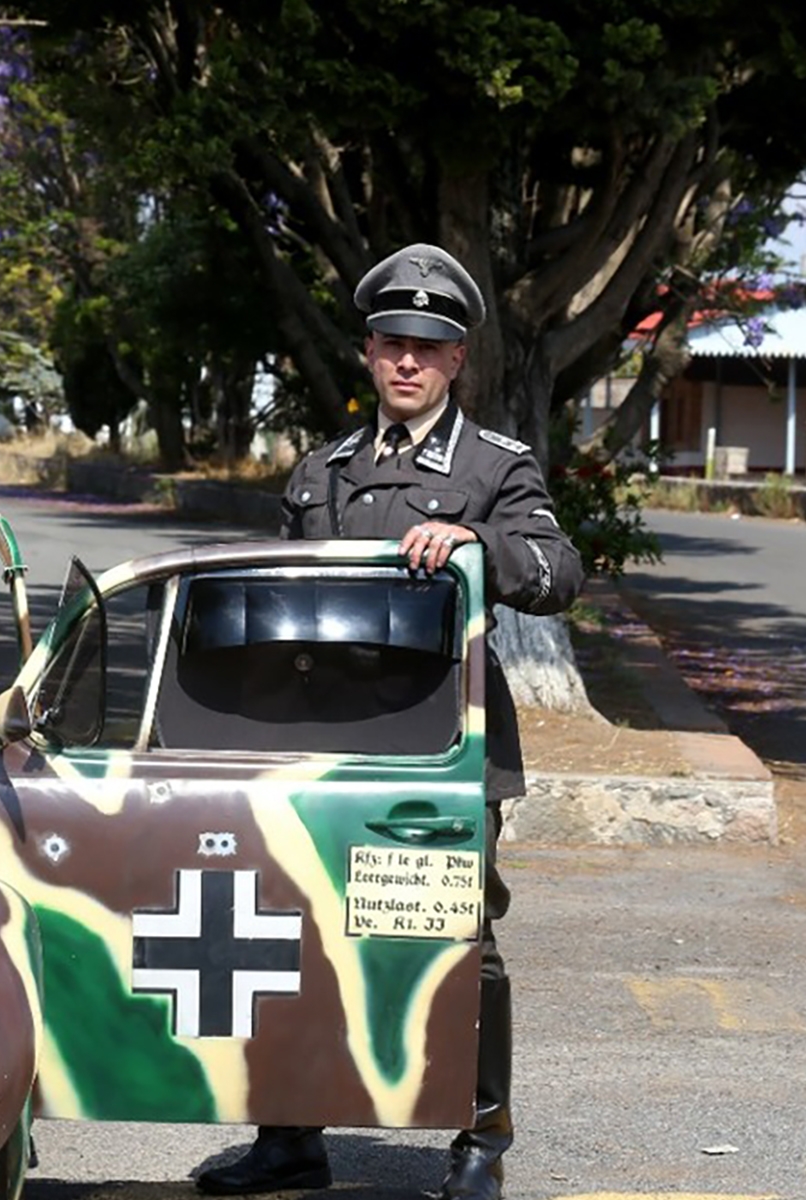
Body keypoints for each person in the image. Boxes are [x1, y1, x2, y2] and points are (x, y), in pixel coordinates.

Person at [193, 244, 583, 1200]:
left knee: (455, 940)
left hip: (438, 756)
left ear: (456, 363)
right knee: (291, 927)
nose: (408, 362)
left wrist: (478, 542)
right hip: (318, 747)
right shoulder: (321, 473)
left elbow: (559, 574)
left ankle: (479, 1140)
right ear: (369, 353)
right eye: (392, 344)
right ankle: (290, 1134)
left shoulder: (497, 470)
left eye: (430, 347)